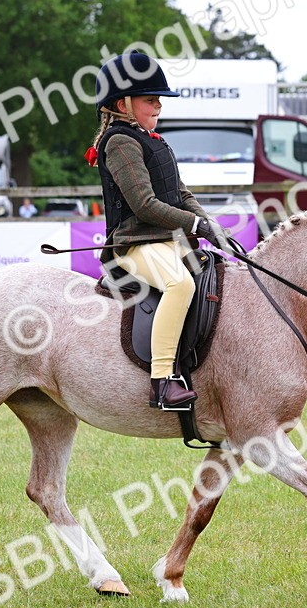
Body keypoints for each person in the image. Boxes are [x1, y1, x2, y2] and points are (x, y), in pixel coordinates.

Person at [86, 52, 223, 410]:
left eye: (158, 99)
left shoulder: (152, 139)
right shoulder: (120, 142)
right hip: (134, 244)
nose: (158, 105)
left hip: (166, 240)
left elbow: (181, 194)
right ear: (123, 104)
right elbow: (144, 204)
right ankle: (162, 381)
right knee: (181, 284)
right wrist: (194, 224)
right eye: (150, 99)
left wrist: (209, 224)